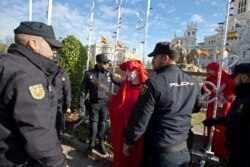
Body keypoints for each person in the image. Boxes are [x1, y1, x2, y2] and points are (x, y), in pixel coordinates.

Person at [122, 42, 202, 167]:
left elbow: (140, 119)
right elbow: (196, 107)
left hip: (159, 156)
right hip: (183, 152)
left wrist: (128, 141)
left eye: (155, 57)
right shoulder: (192, 81)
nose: (153, 60)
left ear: (165, 58)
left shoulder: (154, 83)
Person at [0, 21, 67, 167]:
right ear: (34, 44)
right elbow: (39, 133)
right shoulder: (29, 76)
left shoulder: (6, 63)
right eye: (51, 46)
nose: (54, 51)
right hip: (15, 159)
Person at [203, 63, 250, 167]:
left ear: (244, 78)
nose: (233, 81)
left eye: (235, 77)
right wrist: (216, 121)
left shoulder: (246, 99)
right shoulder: (242, 96)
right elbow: (234, 119)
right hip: (236, 151)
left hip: (243, 156)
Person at [79, 53, 123, 155]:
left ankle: (101, 143)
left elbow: (118, 81)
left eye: (107, 63)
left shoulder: (109, 73)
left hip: (105, 104)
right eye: (105, 63)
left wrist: (130, 82)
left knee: (103, 124)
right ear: (98, 63)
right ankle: (91, 144)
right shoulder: (89, 73)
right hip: (94, 103)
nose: (107, 65)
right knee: (93, 125)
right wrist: (81, 105)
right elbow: (83, 90)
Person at [108, 59, 148, 167]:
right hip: (123, 130)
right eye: (126, 70)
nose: (127, 73)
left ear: (138, 72)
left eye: (130, 71)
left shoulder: (145, 89)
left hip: (137, 132)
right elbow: (117, 102)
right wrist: (110, 97)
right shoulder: (125, 86)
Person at [202, 62, 235, 165]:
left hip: (222, 107)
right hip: (212, 105)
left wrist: (222, 95)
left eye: (211, 69)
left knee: (220, 127)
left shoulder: (227, 79)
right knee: (210, 122)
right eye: (209, 70)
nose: (210, 72)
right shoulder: (210, 78)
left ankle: (221, 152)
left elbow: (230, 96)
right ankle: (210, 144)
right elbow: (204, 89)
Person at [52, 54, 72, 139]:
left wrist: (68, 105)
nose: (55, 64)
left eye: (56, 62)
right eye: (53, 62)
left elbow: (67, 89)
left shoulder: (63, 73)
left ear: (59, 62)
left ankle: (57, 141)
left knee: (57, 124)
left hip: (58, 104)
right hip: (46, 103)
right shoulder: (44, 71)